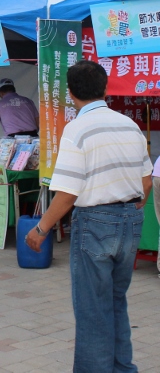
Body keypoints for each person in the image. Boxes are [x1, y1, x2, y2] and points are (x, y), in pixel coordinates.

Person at [26, 60, 152, 372]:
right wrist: (131, 209)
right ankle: (123, 368)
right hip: (130, 219)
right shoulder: (129, 125)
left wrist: (41, 229)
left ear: (70, 94)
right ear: (105, 88)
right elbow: (146, 181)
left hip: (96, 222)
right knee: (115, 301)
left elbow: (68, 192)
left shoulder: (76, 130)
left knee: (93, 307)